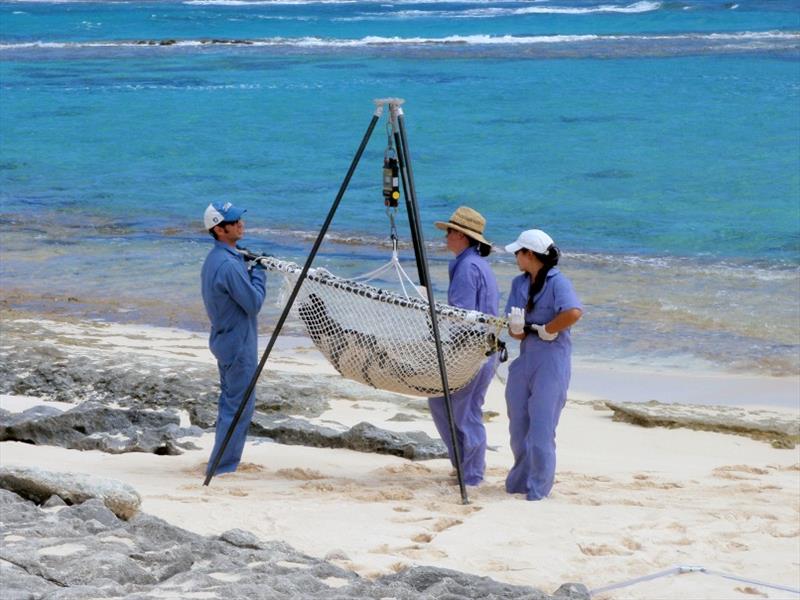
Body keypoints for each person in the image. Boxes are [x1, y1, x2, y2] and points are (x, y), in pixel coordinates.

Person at [503, 229, 582, 500]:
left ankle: (538, 490)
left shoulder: (558, 282)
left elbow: (573, 312)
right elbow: (517, 331)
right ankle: (519, 481)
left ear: (530, 255)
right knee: (518, 426)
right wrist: (516, 329)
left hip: (552, 360)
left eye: (518, 252)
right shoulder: (519, 284)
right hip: (527, 358)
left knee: (541, 429)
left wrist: (549, 328)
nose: (516, 257)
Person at [429, 206, 500, 486]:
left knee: (465, 411)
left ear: (461, 235)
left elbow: (462, 316)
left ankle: (471, 475)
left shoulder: (468, 267)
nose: (445, 236)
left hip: (473, 352)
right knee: (440, 401)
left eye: (449, 231)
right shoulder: (470, 263)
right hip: (481, 349)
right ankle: (463, 464)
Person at [201, 201, 266, 476]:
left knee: (231, 404)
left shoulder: (219, 258)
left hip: (226, 340)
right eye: (234, 221)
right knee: (237, 408)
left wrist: (246, 263)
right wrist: (260, 272)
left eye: (240, 219)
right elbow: (253, 303)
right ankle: (222, 468)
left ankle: (221, 462)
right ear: (219, 229)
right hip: (238, 345)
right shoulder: (227, 265)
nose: (240, 224)